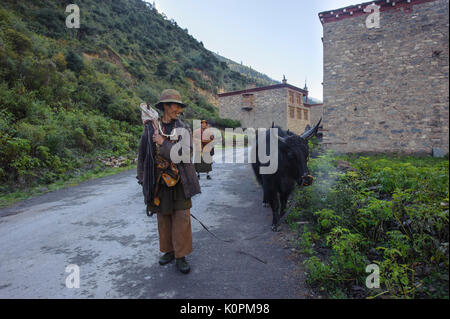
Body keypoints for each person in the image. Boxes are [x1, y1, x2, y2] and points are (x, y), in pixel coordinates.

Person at [137, 89, 201, 274]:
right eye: (175, 106)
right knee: (163, 218)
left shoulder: (183, 129)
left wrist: (162, 144)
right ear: (165, 106)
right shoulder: (150, 129)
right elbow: (142, 155)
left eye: (180, 106)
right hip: (159, 183)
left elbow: (185, 154)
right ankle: (169, 251)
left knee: (182, 218)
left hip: (181, 181)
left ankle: (181, 255)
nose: (178, 110)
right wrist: (142, 178)